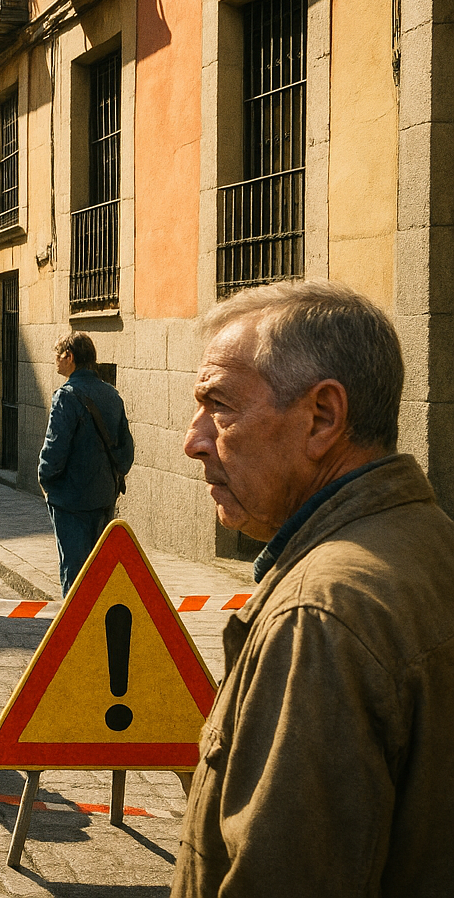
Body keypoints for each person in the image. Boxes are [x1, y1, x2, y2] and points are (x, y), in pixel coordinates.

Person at [172, 280, 454, 896]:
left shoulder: (320, 616)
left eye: (218, 405)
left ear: (322, 417)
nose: (194, 441)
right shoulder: (429, 537)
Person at [37, 331, 134, 595]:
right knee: (99, 575)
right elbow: (127, 451)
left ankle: (77, 634)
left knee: (75, 577)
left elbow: (54, 451)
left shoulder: (66, 396)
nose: (56, 360)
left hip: (71, 501)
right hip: (104, 499)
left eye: (58, 354)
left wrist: (46, 480)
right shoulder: (111, 395)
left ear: (69, 356)